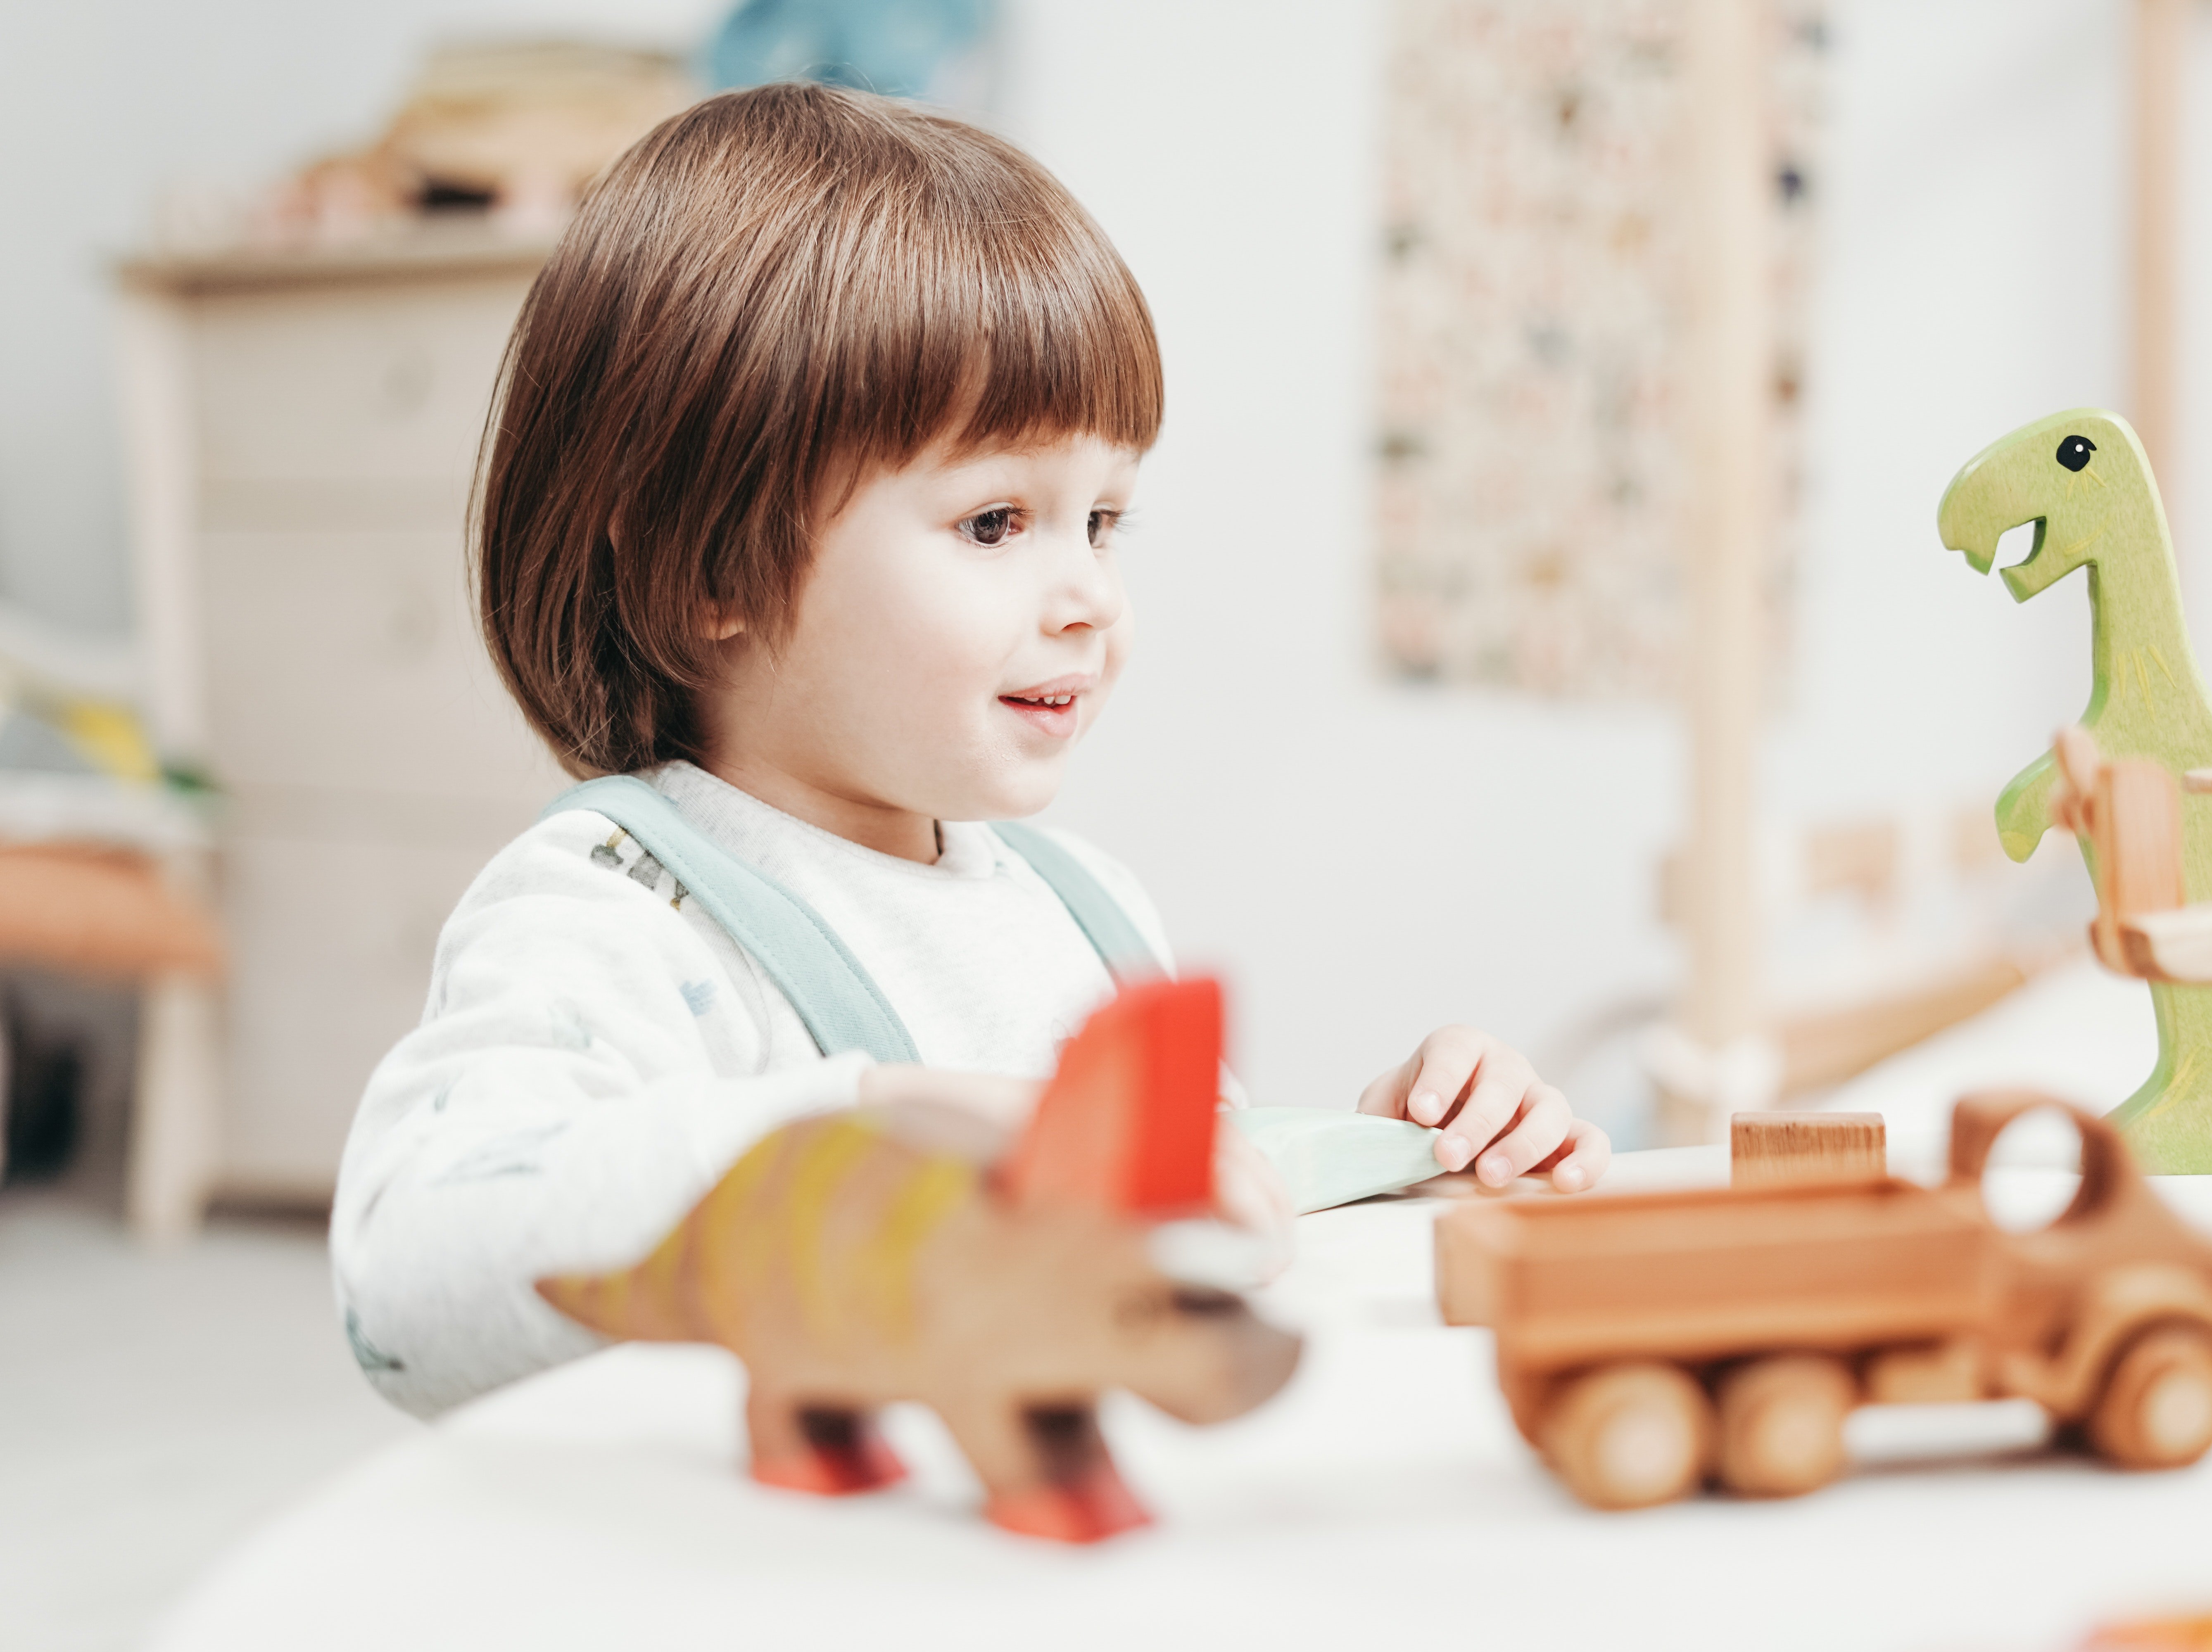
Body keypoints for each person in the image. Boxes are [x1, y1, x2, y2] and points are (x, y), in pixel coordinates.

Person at [331, 81, 1609, 1419]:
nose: (1090, 597)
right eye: (998, 522)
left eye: (1104, 519)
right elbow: (411, 1280)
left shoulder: (1082, 907)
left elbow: (1170, 1228)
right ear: (710, 565)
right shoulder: (620, 912)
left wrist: (1405, 1144)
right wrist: (878, 1123)